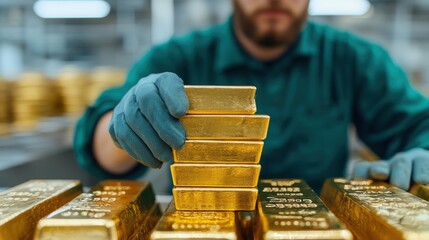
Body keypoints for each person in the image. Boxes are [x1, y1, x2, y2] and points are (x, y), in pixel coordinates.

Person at [74, 0, 429, 192]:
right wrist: (120, 131)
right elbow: (102, 140)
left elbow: (418, 124)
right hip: (200, 228)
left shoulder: (353, 59)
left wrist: (422, 154)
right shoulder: (179, 57)